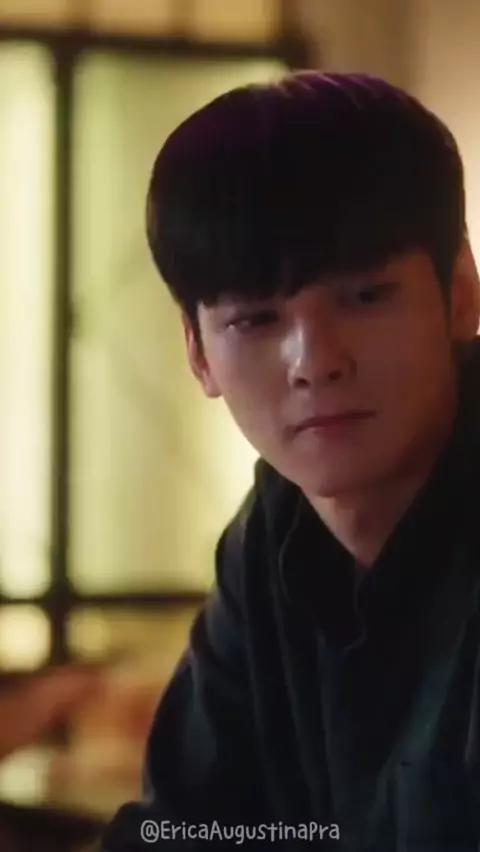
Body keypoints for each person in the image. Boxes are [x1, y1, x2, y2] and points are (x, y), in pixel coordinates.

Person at [101, 71, 480, 851]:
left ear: (462, 294)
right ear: (197, 352)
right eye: (256, 319)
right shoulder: (275, 529)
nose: (315, 362)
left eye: (366, 297)